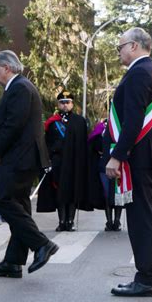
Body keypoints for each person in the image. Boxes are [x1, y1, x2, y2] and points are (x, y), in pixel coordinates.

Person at [0, 50, 58, 278]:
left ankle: (42, 244)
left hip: (20, 158)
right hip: (23, 158)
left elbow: (12, 125)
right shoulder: (19, 87)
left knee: (2, 199)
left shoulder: (20, 88)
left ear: (7, 67)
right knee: (20, 206)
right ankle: (13, 262)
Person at [106, 27, 152, 297]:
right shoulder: (151, 70)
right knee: (145, 215)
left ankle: (147, 278)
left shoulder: (139, 73)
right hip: (146, 156)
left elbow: (134, 120)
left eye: (121, 46)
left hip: (138, 157)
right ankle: (149, 274)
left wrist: (117, 155)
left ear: (135, 46)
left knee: (140, 217)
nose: (119, 52)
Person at [37, 89, 90, 231]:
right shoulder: (52, 122)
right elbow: (46, 143)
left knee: (73, 192)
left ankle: (70, 221)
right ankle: (61, 221)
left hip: (74, 162)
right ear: (58, 104)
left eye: (68, 102)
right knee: (59, 192)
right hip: (58, 161)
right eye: (62, 102)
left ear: (72, 104)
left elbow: (84, 144)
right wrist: (47, 161)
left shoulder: (80, 121)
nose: (65, 105)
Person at [87, 119, 122, 231]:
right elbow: (95, 146)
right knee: (107, 194)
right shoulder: (102, 127)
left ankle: (117, 221)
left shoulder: (121, 125)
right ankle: (109, 221)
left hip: (119, 166)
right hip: (104, 166)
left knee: (118, 194)